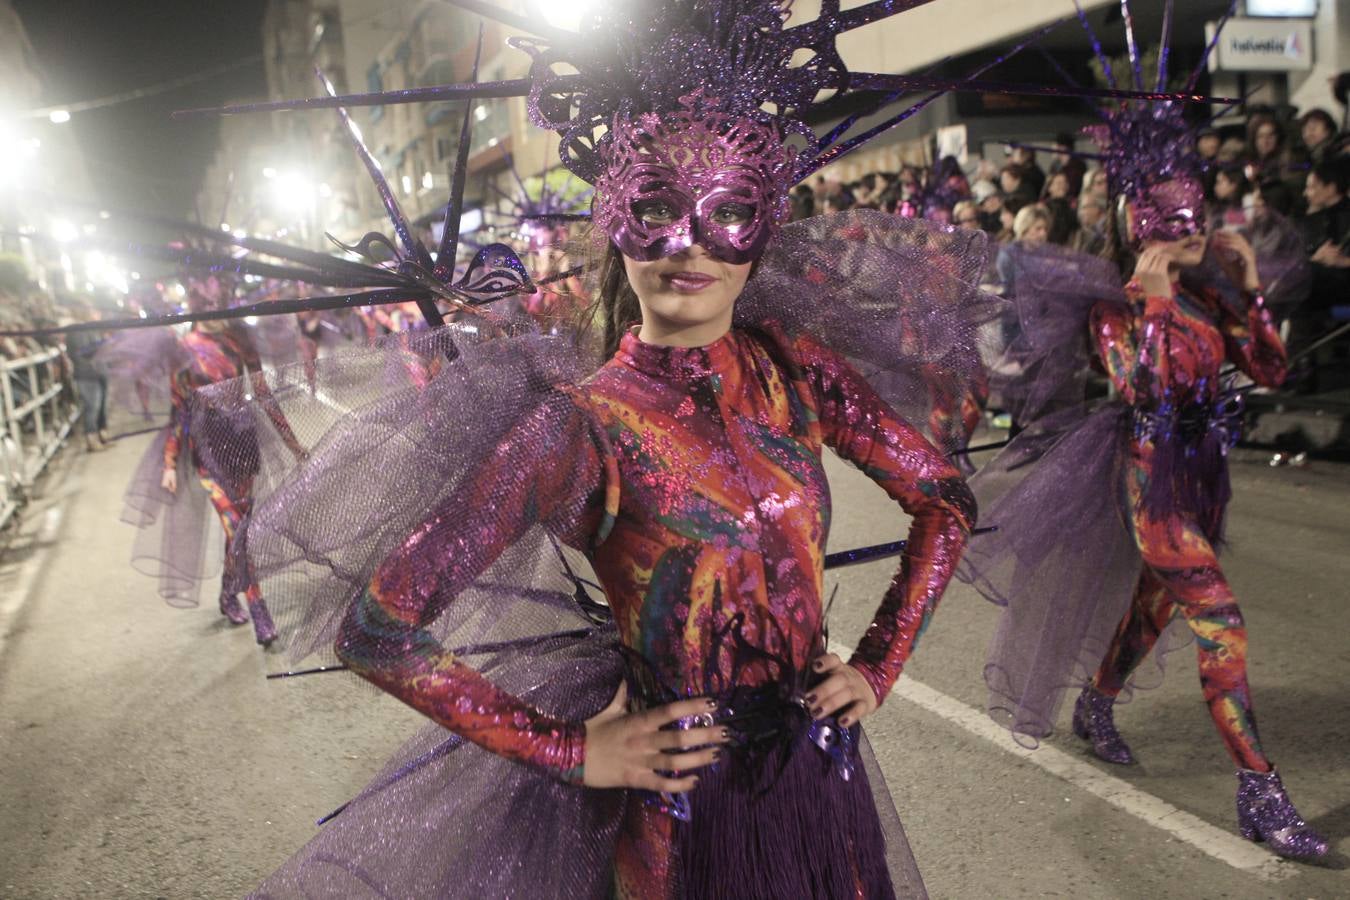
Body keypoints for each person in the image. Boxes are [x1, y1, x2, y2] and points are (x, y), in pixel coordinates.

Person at [962, 89, 1328, 861]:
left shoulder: (1209, 297)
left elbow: (1272, 367)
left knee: (1155, 608)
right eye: (1170, 220)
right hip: (1150, 487)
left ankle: (1097, 704)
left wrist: (1251, 281)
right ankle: (1260, 792)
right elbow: (1146, 388)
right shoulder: (1118, 308)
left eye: (1197, 216)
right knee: (1221, 625)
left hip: (1200, 483)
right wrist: (1156, 302)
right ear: (1138, 225)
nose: (1190, 232)